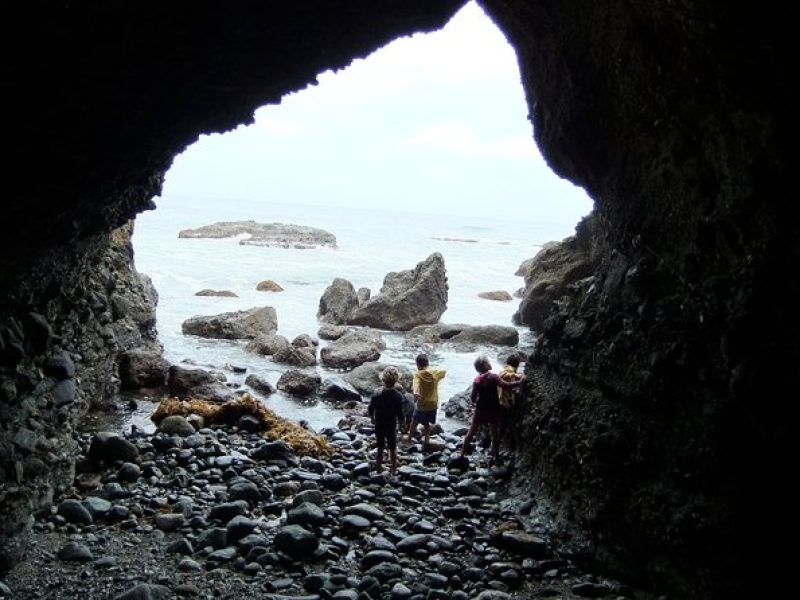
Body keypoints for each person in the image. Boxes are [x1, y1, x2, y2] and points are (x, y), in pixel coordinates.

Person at [461, 355, 524, 461]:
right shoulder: (493, 376)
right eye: (488, 361)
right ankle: (496, 455)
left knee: (471, 431)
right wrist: (519, 382)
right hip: (493, 409)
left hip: (480, 410)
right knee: (494, 432)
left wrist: (477, 403)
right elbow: (505, 385)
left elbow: (472, 398)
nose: (490, 363)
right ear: (485, 365)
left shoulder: (477, 380)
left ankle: (462, 452)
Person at [368, 366, 405, 475]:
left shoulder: (377, 394)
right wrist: (402, 423)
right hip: (391, 424)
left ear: (382, 379)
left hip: (379, 423)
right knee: (392, 447)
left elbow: (371, 408)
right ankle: (394, 469)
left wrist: (372, 418)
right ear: (396, 380)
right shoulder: (398, 396)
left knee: (380, 446)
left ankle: (378, 468)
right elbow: (400, 413)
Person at [406, 353, 446, 449]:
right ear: (428, 363)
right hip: (433, 403)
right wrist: (431, 371)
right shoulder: (434, 372)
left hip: (422, 403)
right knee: (427, 423)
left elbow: (415, 386)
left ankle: (409, 437)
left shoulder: (418, 374)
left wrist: (415, 393)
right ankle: (427, 440)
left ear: (417, 365)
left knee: (414, 420)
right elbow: (444, 371)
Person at [497, 354, 522, 453]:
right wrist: (515, 376)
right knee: (504, 427)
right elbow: (506, 376)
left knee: (501, 427)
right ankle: (496, 451)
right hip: (504, 404)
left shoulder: (504, 369)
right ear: (517, 365)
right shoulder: (510, 371)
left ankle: (496, 448)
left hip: (499, 402)